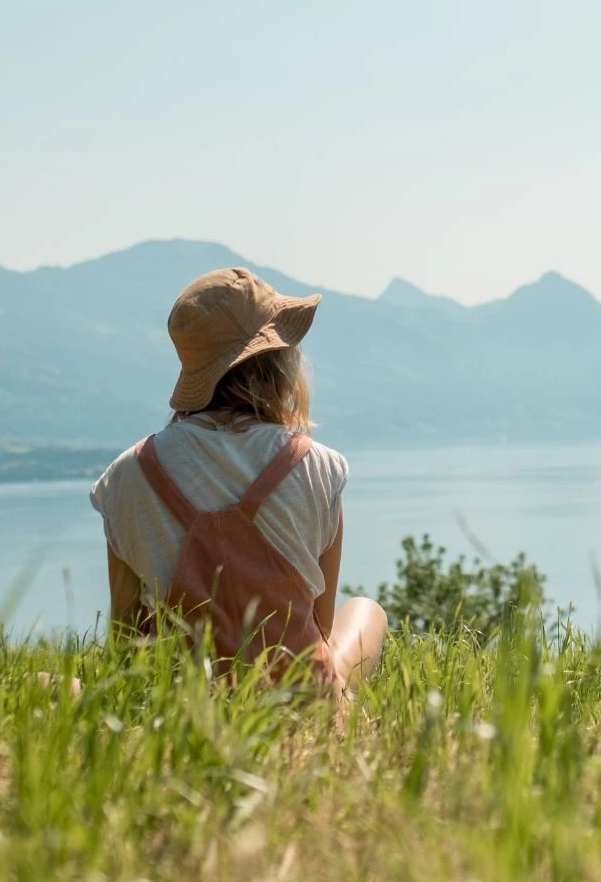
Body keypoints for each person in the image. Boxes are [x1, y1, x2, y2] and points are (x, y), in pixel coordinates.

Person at [89, 267, 386, 693]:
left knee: (46, 684)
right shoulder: (319, 466)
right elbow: (319, 630)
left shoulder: (126, 474)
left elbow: (125, 637)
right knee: (365, 610)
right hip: (299, 697)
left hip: (183, 703)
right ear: (278, 362)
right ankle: (343, 703)